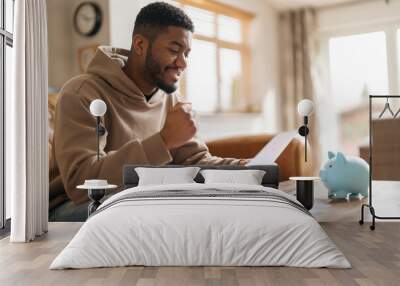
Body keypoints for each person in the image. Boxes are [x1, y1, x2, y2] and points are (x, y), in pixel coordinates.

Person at [49, 2, 249, 221]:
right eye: (174, 50)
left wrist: (246, 168)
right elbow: (82, 184)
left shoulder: (171, 99)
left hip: (138, 200)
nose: (182, 63)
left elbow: (196, 160)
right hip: (75, 206)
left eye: (187, 54)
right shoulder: (82, 93)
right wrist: (162, 142)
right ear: (140, 45)